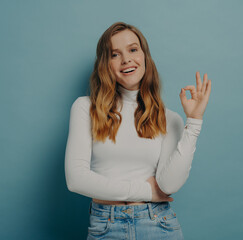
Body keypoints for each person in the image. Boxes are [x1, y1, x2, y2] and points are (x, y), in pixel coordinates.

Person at [64, 22, 211, 239]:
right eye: (115, 54)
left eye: (133, 50)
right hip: (106, 225)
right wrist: (146, 191)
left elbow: (169, 185)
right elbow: (76, 180)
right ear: (106, 64)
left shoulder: (170, 119)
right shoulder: (85, 108)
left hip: (159, 224)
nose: (126, 60)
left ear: (144, 57)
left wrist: (194, 121)